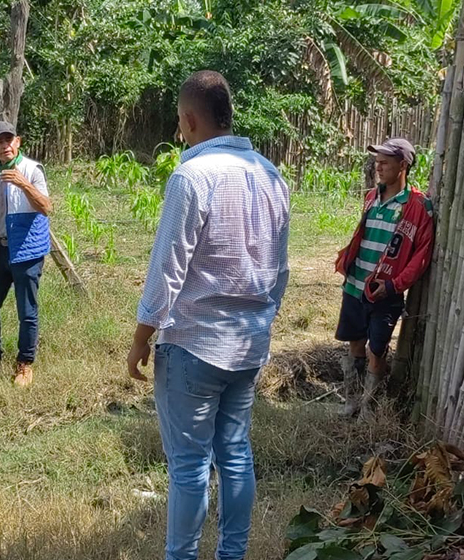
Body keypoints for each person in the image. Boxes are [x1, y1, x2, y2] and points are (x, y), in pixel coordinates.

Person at [127, 70, 290, 560]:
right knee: (236, 454)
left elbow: (167, 268)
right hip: (247, 344)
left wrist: (141, 336)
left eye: (180, 123)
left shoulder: (191, 176)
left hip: (193, 343)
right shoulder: (270, 174)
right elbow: (280, 268)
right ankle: (232, 555)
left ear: (189, 119)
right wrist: (262, 320)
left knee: (190, 465)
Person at [334, 138, 434, 419]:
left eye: (385, 162)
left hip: (384, 292)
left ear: (403, 165)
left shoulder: (418, 206)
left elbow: (421, 256)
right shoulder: (370, 197)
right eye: (377, 161)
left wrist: (393, 285)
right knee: (354, 342)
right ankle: (351, 402)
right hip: (355, 285)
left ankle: (369, 409)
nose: (377, 166)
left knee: (376, 350)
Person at [0, 121, 52, 387]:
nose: (5, 145)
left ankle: (25, 364)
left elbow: (46, 207)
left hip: (26, 251)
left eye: (9, 140)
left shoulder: (31, 169)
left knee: (26, 311)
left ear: (17, 142)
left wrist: (23, 183)